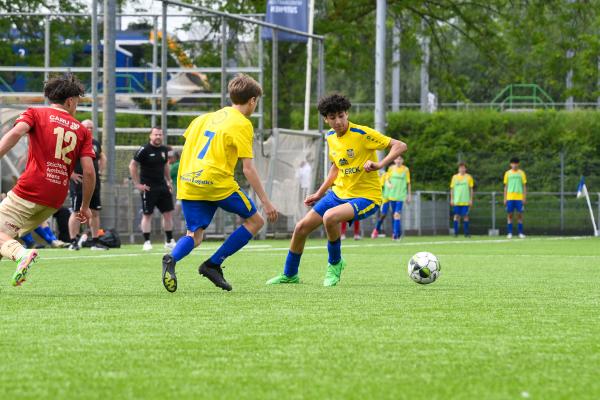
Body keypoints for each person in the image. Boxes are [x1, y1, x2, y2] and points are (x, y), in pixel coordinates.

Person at [267, 93, 406, 286]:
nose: (338, 121)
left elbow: (399, 145)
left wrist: (379, 163)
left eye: (341, 115)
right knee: (301, 228)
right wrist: (319, 193)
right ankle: (290, 274)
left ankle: (335, 264)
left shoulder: (362, 134)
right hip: (338, 194)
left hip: (366, 197)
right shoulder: (331, 137)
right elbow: (336, 168)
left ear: (347, 113)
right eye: (332, 118)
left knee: (329, 217)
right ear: (326, 119)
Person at [161, 74, 278, 293]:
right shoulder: (243, 124)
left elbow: (190, 146)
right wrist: (266, 201)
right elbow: (248, 169)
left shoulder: (203, 118)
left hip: (188, 180)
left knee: (194, 236)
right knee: (255, 221)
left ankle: (171, 258)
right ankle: (213, 264)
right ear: (253, 100)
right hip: (215, 182)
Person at [0, 74, 95, 286]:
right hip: (55, 199)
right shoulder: (81, 130)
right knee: (3, 239)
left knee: (5, 240)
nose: (76, 107)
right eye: (77, 102)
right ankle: (18, 256)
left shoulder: (35, 113)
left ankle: (22, 255)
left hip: (30, 189)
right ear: (70, 101)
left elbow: (16, 133)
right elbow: (89, 172)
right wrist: (85, 206)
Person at [129, 127, 175, 251]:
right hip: (148, 188)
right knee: (147, 214)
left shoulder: (164, 150)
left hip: (162, 186)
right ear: (151, 136)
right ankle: (147, 241)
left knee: (168, 214)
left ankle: (169, 240)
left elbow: (165, 165)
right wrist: (137, 184)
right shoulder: (144, 150)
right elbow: (132, 165)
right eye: (156, 134)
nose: (158, 137)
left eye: (160, 134)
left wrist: (169, 181)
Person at [68, 119, 108, 251]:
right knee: (76, 211)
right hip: (79, 183)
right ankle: (73, 241)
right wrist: (71, 174)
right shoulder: (74, 141)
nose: (89, 130)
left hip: (94, 183)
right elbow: (65, 158)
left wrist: (101, 171)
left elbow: (102, 156)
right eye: (86, 127)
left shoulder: (95, 143)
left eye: (91, 127)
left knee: (95, 212)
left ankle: (95, 241)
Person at [386, 156, 411, 240]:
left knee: (397, 214)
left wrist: (409, 195)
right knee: (394, 215)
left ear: (403, 160)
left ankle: (395, 235)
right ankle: (398, 233)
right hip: (392, 195)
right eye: (397, 159)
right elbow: (387, 180)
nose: (398, 160)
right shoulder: (391, 168)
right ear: (394, 160)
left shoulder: (406, 169)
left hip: (401, 196)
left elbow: (408, 183)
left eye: (400, 159)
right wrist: (388, 184)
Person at [504, 157, 527, 239]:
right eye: (513, 163)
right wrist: (505, 198)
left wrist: (524, 198)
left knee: (519, 215)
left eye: (516, 163)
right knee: (510, 214)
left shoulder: (522, 173)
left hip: (519, 197)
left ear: (518, 164)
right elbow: (506, 186)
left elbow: (524, 186)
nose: (514, 165)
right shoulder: (507, 173)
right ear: (510, 164)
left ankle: (520, 233)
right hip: (510, 197)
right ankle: (510, 233)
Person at [450, 162, 474, 237]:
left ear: (465, 169)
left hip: (465, 201)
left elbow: (471, 189)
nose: (462, 169)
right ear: (458, 169)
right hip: (457, 201)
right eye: (460, 168)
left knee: (465, 216)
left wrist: (471, 199)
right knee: (456, 216)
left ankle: (466, 233)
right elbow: (452, 189)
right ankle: (455, 233)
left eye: (463, 168)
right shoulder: (454, 177)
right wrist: (452, 199)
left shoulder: (469, 177)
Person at [371, 167, 391, 238]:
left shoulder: (386, 174)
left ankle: (396, 233)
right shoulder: (374, 175)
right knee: (383, 215)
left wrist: (388, 183)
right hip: (382, 199)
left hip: (391, 198)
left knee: (395, 214)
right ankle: (376, 230)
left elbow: (387, 182)